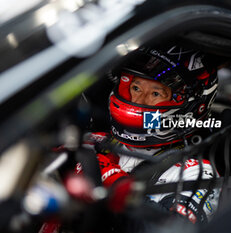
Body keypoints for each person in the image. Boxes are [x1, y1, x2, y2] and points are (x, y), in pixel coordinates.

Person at [81, 45, 221, 228]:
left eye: (155, 93)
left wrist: (112, 182)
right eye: (136, 87)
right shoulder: (95, 140)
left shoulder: (196, 174)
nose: (138, 101)